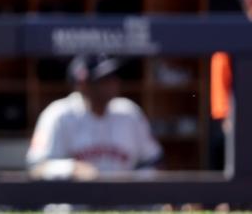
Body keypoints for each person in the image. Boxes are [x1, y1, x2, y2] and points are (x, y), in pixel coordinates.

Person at [27, 54, 162, 179]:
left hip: (122, 202)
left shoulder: (129, 112)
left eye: (113, 77)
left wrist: (133, 179)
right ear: (82, 84)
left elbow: (153, 161)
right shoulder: (58, 115)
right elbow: (36, 168)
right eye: (103, 79)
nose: (112, 83)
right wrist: (72, 168)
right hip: (74, 201)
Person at [210, 0, 252, 169]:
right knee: (243, 170)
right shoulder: (236, 32)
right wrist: (224, 114)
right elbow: (220, 71)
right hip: (245, 112)